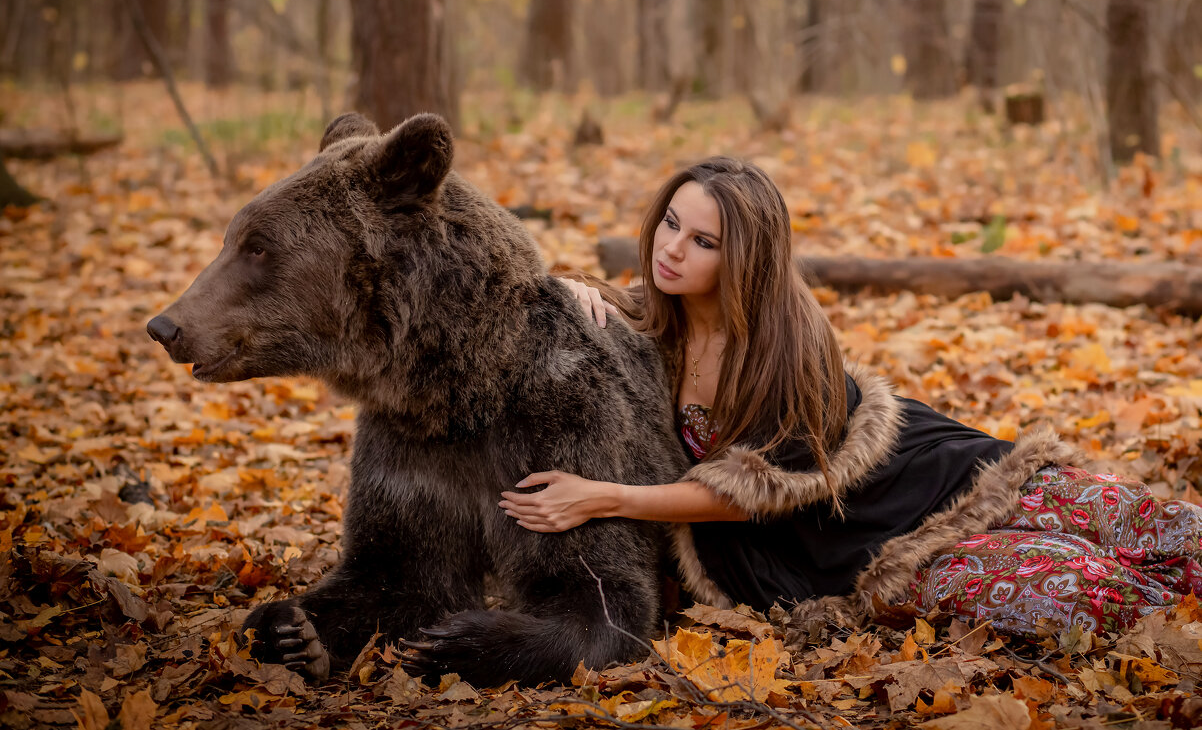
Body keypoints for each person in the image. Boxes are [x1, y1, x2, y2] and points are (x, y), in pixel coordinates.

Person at [498, 156, 1202, 636]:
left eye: (703, 240)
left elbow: (749, 489)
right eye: (671, 223)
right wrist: (576, 288)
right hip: (851, 552)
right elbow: (561, 303)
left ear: (744, 258)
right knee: (1078, 589)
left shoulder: (791, 342)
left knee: (1157, 525)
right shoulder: (654, 319)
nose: (672, 248)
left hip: (934, 475)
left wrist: (605, 494)